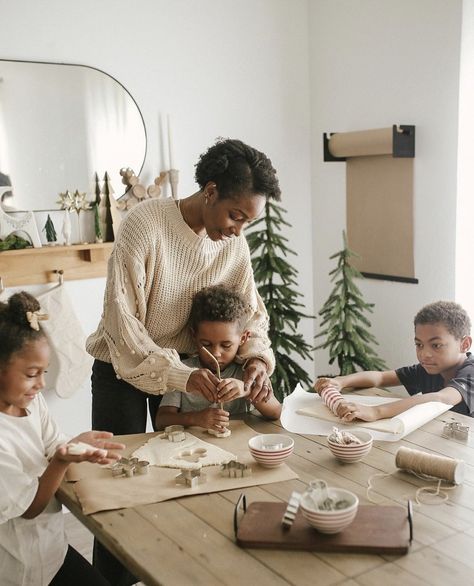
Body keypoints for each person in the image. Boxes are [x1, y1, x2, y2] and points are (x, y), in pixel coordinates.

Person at [86, 137, 281, 584]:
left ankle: (178, 569)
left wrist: (255, 361)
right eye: (235, 215)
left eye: (248, 221)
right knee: (120, 484)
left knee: (189, 472)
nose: (238, 230)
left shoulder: (232, 245)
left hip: (189, 369)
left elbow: (250, 315)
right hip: (122, 368)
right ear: (209, 191)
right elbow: (123, 330)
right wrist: (184, 375)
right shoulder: (145, 225)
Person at [0, 291, 125, 586]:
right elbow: (31, 508)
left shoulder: (31, 404)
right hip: (20, 567)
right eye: (32, 374)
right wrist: (60, 460)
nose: (41, 384)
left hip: (51, 550)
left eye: (44, 372)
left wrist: (76, 444)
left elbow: (52, 443)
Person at [315, 301, 473, 422]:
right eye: (419, 345)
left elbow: (442, 398)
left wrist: (376, 412)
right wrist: (341, 382)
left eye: (436, 345)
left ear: (464, 344)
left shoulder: (470, 373)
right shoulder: (428, 369)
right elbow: (382, 378)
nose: (425, 354)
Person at [156, 285, 281, 430]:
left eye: (226, 345)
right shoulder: (183, 371)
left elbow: (275, 412)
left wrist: (246, 390)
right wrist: (195, 418)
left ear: (243, 338)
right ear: (193, 335)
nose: (216, 353)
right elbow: (161, 421)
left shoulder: (246, 372)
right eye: (206, 344)